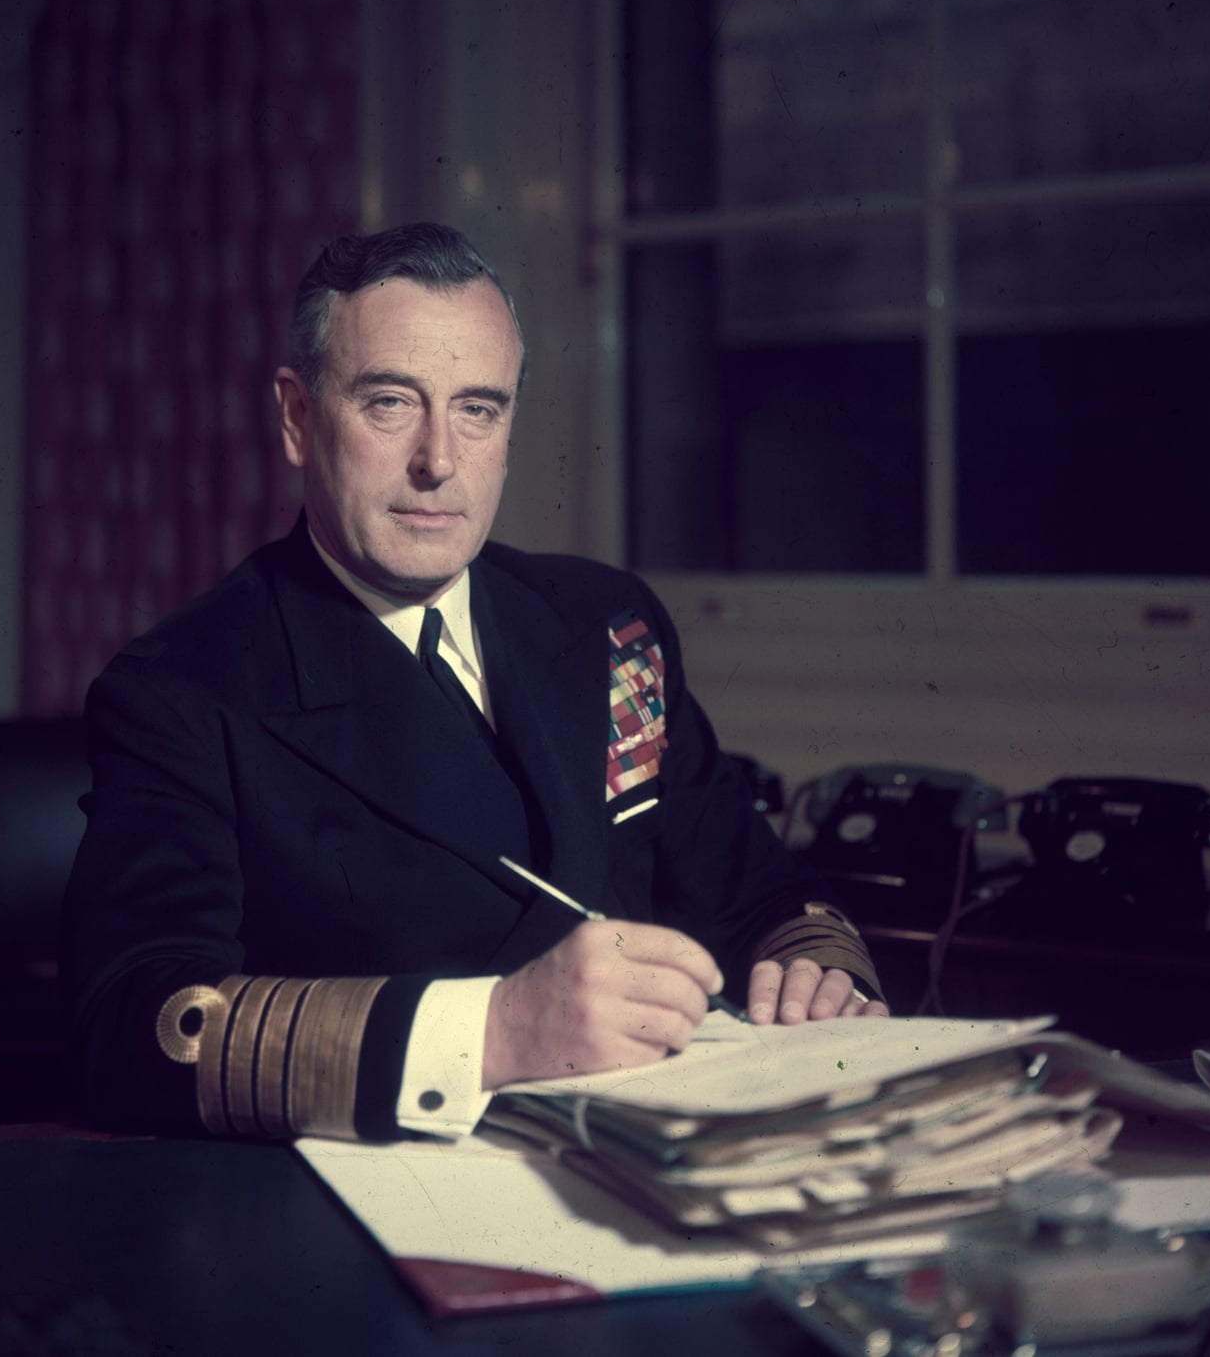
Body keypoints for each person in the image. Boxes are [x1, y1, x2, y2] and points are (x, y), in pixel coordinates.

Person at [63, 222, 887, 1142]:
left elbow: (754, 890)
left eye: (478, 409)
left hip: (638, 1158)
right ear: (298, 419)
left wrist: (814, 971)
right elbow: (138, 1031)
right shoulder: (184, 688)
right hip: (378, 1191)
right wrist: (492, 1033)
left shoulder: (606, 623)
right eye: (389, 404)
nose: (439, 461)